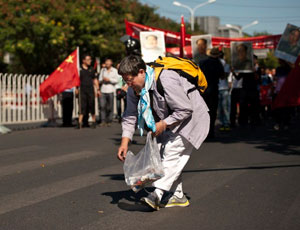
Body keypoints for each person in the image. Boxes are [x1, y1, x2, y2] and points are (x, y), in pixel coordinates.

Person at [117, 55, 209, 210]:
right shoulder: (134, 90)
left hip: (192, 119)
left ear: (141, 72)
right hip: (167, 123)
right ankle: (178, 195)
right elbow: (130, 115)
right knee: (164, 156)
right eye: (125, 81)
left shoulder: (166, 79)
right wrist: (125, 142)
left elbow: (185, 109)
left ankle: (156, 195)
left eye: (130, 80)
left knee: (172, 153)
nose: (128, 84)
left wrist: (164, 123)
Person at [199, 47, 225, 138]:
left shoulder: (203, 62)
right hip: (214, 89)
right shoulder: (218, 63)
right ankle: (211, 131)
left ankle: (203, 131)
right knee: (213, 111)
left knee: (204, 110)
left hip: (204, 89)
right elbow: (222, 76)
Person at [76, 54, 99, 129]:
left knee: (91, 104)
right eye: (88, 59)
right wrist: (76, 89)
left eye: (90, 59)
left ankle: (93, 121)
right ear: (83, 60)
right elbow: (76, 80)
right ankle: (80, 122)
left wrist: (98, 89)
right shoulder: (79, 69)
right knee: (82, 106)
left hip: (90, 89)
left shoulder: (92, 69)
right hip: (82, 90)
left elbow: (95, 79)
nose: (90, 61)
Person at [99, 58, 119, 126]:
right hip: (103, 89)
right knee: (102, 106)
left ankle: (109, 120)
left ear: (111, 63)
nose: (107, 64)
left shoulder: (114, 70)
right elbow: (99, 79)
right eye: (106, 62)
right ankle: (103, 120)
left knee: (110, 106)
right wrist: (103, 80)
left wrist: (109, 79)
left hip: (110, 89)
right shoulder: (102, 70)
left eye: (108, 63)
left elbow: (117, 80)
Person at [218, 51, 231, 131]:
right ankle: (223, 123)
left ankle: (225, 123)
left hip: (224, 88)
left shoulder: (226, 65)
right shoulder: (218, 65)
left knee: (224, 107)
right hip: (219, 88)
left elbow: (224, 76)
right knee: (221, 108)